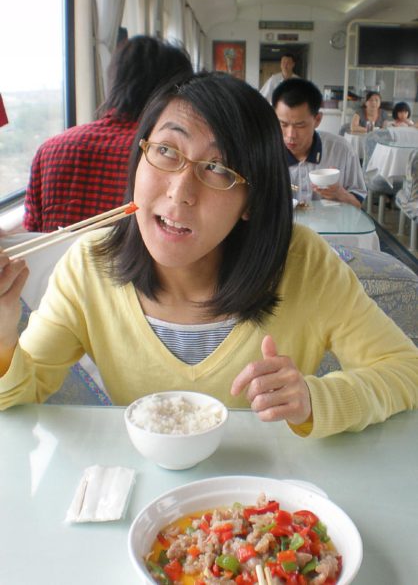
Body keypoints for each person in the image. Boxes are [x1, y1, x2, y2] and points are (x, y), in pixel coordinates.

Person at [0, 72, 417, 439]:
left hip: (267, 504)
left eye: (218, 169)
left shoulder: (304, 264)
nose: (180, 190)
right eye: (166, 150)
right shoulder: (90, 264)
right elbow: (22, 392)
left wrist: (316, 398)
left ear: (251, 200)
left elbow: (406, 370)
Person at [22, 35, 193, 232]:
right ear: (170, 93)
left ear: (115, 82)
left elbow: (32, 232)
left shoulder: (49, 150)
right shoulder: (159, 155)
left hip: (57, 264)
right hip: (131, 264)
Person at [272, 78, 367, 208]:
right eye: (283, 124)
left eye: (300, 125)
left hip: (329, 227)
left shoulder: (341, 150)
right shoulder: (265, 152)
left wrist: (339, 193)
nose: (290, 135)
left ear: (317, 120)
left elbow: (358, 205)